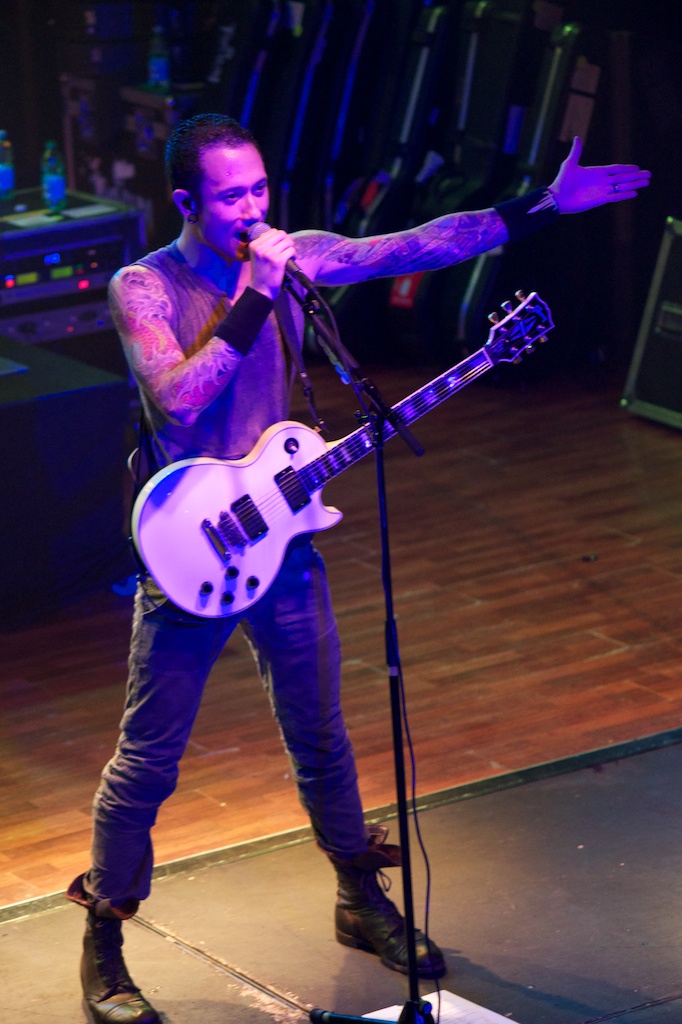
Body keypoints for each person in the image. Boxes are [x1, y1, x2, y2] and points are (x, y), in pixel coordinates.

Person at [65, 112, 650, 1024]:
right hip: (186, 552)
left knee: (322, 735)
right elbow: (177, 400)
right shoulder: (144, 285)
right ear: (187, 201)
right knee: (148, 759)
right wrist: (255, 292)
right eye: (231, 196)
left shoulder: (295, 259)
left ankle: (358, 896)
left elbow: (414, 244)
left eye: (260, 189)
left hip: (283, 542)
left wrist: (542, 205)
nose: (253, 209)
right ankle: (105, 936)